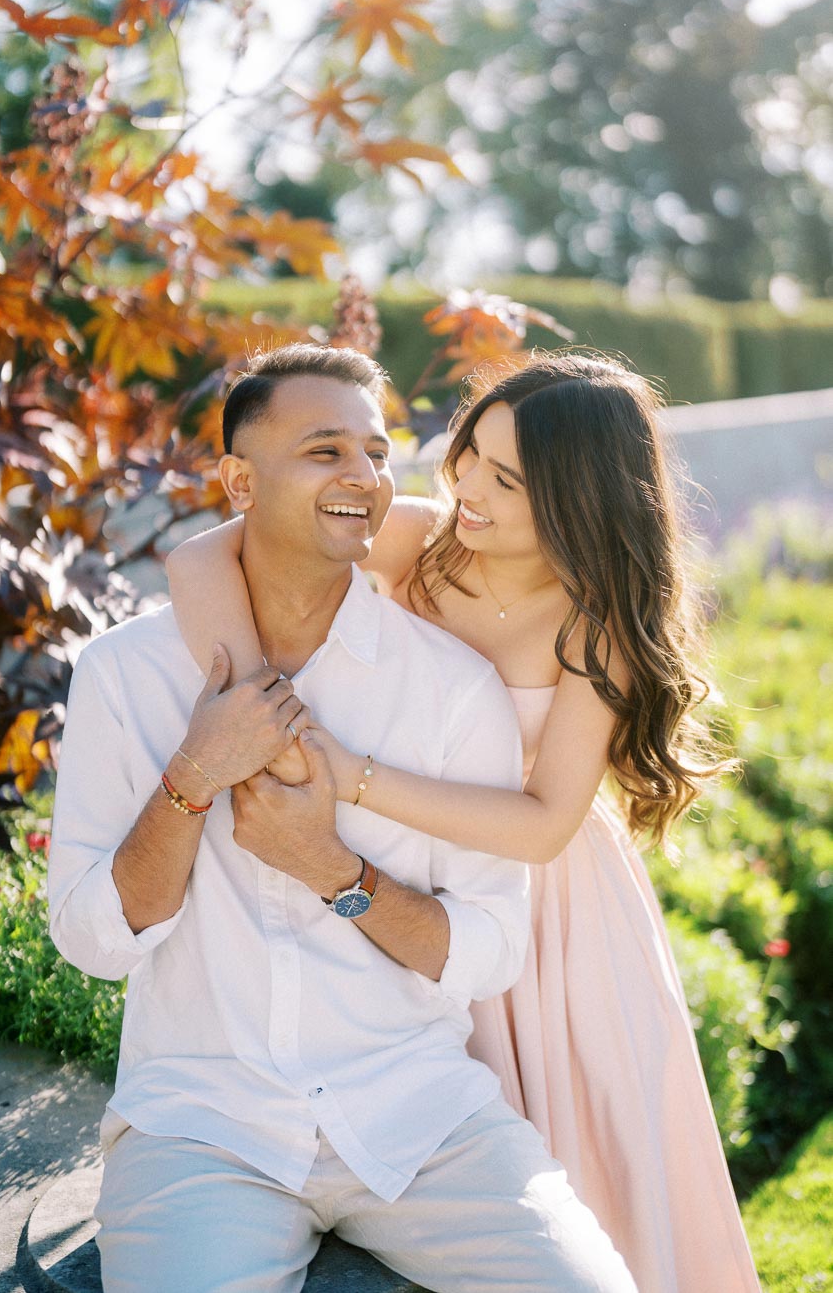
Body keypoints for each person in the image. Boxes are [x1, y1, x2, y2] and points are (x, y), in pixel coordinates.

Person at [168, 348, 761, 1293]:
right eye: (470, 455)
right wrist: (260, 717)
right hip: (399, 862)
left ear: (578, 497)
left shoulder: (598, 621)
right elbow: (203, 554)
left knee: (566, 1154)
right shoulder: (419, 541)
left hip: (551, 910)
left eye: (506, 479)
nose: (467, 488)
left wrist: (343, 772)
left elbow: (540, 825)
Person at [48, 343, 636, 1293]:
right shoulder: (126, 675)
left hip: (421, 1114)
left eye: (375, 452)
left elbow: (488, 950)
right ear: (239, 478)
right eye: (326, 451)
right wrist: (196, 773)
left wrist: (335, 870)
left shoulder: (454, 687)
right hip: (201, 1123)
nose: (363, 477)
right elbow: (91, 941)